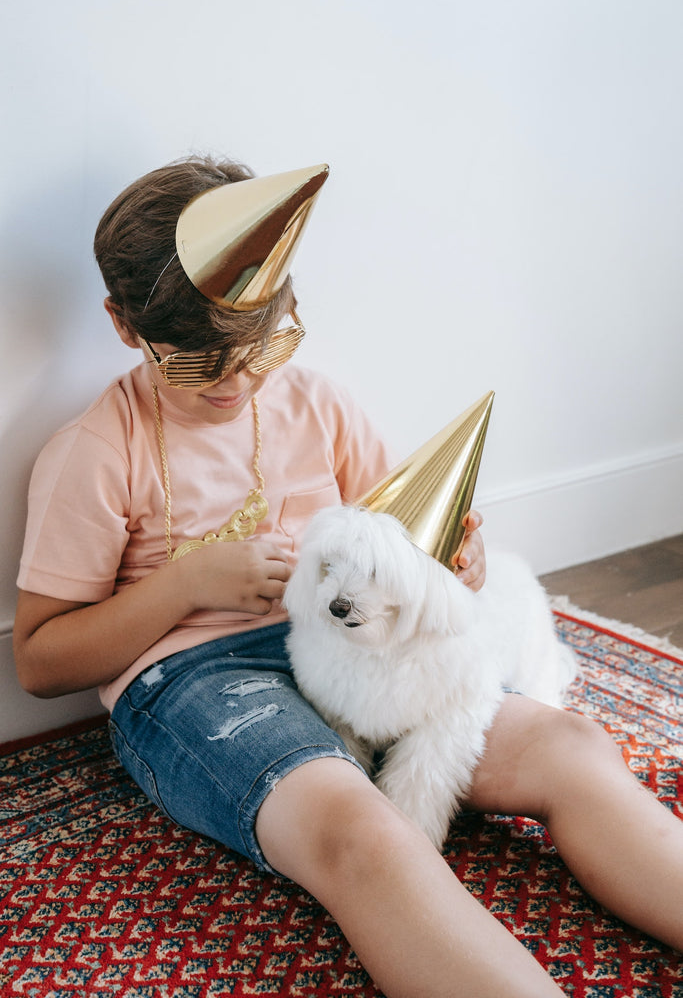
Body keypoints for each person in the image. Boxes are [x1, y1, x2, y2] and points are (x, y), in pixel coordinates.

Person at [13, 156, 683, 998]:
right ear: (122, 325)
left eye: (263, 344)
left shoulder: (315, 404)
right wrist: (187, 587)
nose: (242, 378)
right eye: (200, 362)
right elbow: (39, 662)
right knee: (363, 835)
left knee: (570, 743)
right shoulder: (96, 454)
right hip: (195, 678)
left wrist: (454, 562)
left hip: (348, 645)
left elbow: (404, 542)